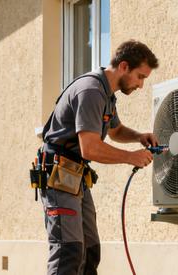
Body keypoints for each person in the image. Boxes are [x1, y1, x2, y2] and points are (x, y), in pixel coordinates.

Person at [39, 40, 160, 275]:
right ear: (124, 66)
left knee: (90, 251)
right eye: (140, 76)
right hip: (59, 174)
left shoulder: (107, 95)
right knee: (68, 251)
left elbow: (114, 131)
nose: (141, 85)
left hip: (75, 176)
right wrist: (131, 157)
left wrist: (139, 137)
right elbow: (90, 148)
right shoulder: (91, 91)